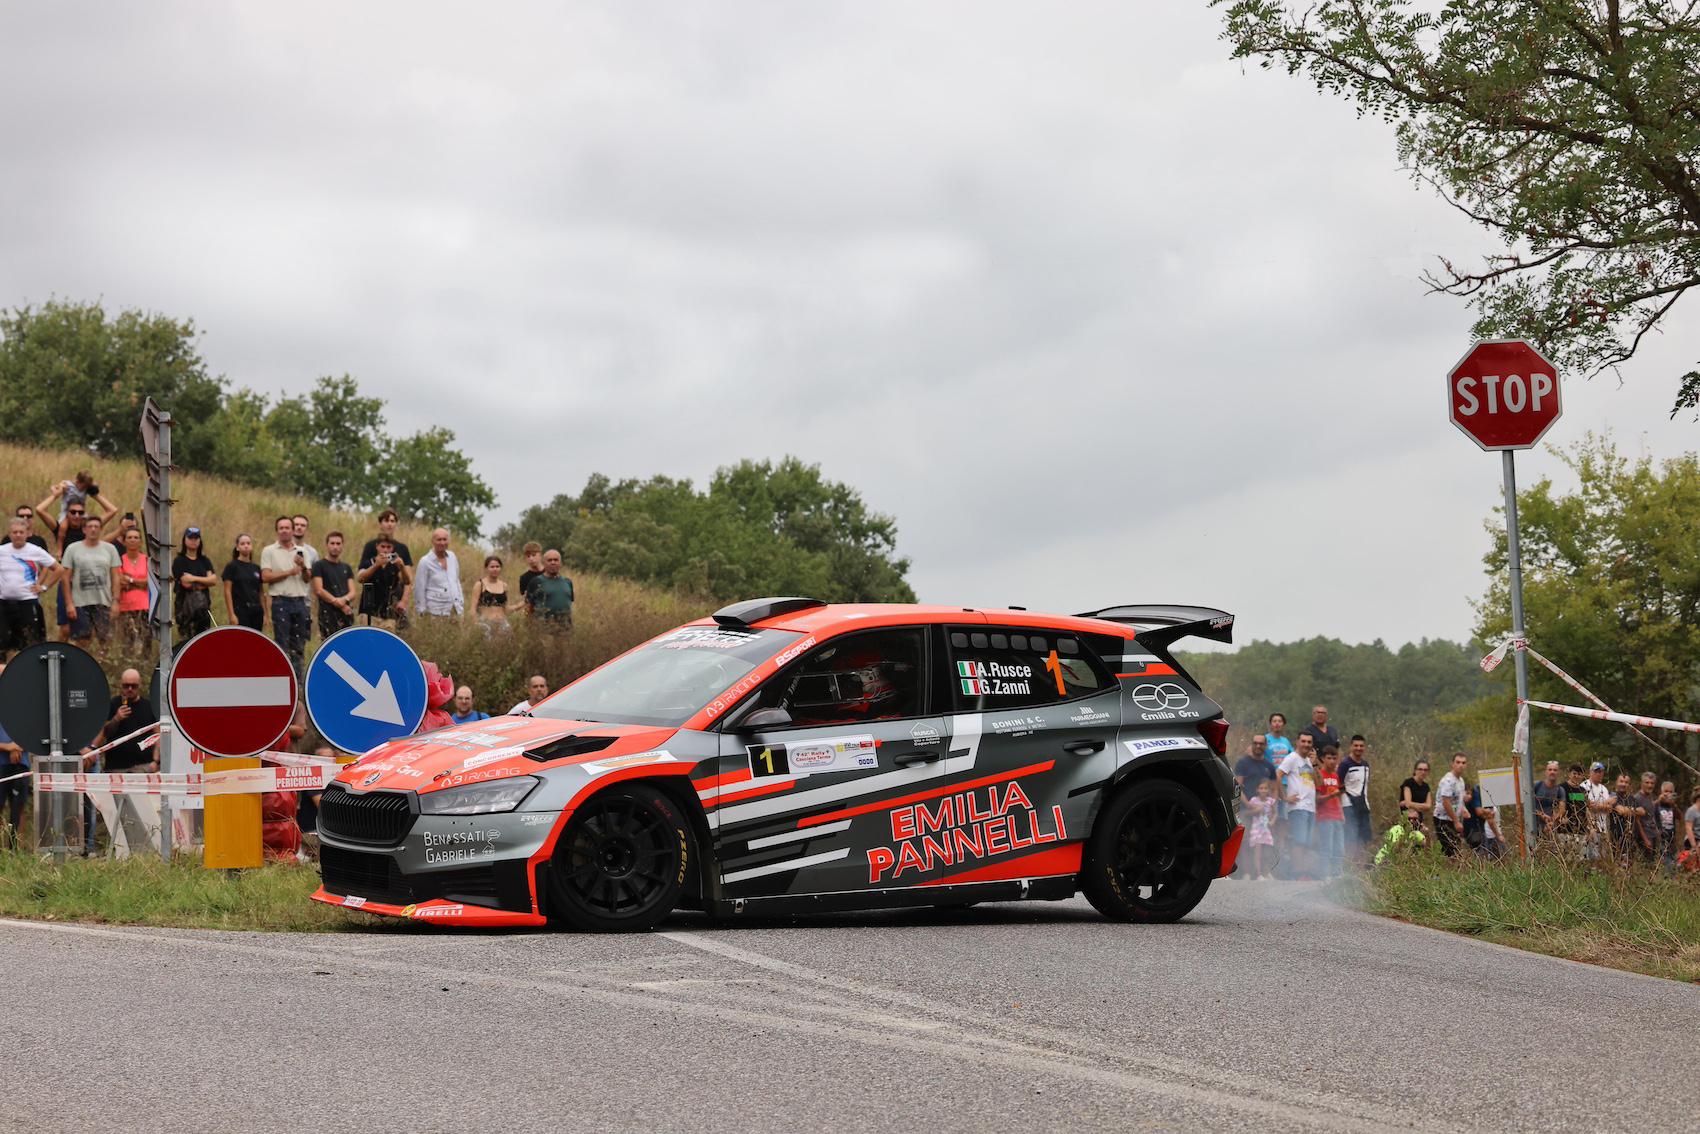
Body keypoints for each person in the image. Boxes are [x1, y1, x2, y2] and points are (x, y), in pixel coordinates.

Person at [81, 668, 159, 854]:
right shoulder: (113, 705)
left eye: (133, 686)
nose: (130, 689)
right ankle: (111, 851)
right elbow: (102, 733)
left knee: (143, 812)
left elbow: (158, 735)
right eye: (126, 686)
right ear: (121, 686)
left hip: (142, 768)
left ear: (139, 686)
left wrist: (156, 761)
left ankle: (145, 851)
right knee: (111, 812)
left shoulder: (149, 707)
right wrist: (116, 718)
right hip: (115, 769)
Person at [36, 481, 117, 641]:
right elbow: (40, 509)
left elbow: (112, 510)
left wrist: (93, 492)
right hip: (68, 581)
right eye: (73, 512)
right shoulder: (60, 528)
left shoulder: (89, 528)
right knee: (65, 629)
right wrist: (56, 495)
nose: (77, 516)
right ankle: (61, 656)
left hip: (89, 584)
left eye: (81, 513)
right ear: (67, 513)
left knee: (93, 632)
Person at [260, 516, 314, 674]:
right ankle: (283, 684)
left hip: (300, 601)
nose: (284, 530)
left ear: (292, 530)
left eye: (287, 527)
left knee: (299, 646)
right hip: (280, 602)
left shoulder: (302, 551)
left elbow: (307, 578)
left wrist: (303, 566)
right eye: (281, 528)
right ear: (277, 531)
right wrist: (289, 572)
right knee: (282, 645)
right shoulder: (269, 551)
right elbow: (265, 577)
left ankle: (298, 683)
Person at [0, 516, 59, 656]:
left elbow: (58, 569)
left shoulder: (35, 550)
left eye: (21, 532)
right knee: (3, 644)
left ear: (27, 533)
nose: (18, 535)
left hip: (27, 602)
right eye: (15, 532)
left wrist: (44, 587)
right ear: (10, 534)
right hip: (4, 604)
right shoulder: (2, 551)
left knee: (30, 644)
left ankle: (29, 674)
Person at [61, 514, 121, 649]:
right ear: (84, 530)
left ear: (100, 529)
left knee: (106, 641)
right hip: (80, 603)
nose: (93, 529)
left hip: (103, 602)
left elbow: (115, 576)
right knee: (82, 641)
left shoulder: (110, 549)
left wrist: (115, 601)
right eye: (90, 526)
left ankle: (104, 666)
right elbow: (65, 578)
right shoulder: (72, 549)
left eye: (96, 527)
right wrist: (69, 603)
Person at [358, 510, 413, 624]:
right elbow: (361, 577)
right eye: (386, 520)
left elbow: (408, 581)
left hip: (391, 604)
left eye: (392, 521)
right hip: (370, 603)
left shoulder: (402, 549)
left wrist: (404, 601)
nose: (389, 524)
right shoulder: (370, 546)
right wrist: (376, 564)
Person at [1278, 732, 1318, 879]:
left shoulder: (1308, 761)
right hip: (1298, 807)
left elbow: (1318, 783)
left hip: (1310, 807)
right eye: (1303, 741)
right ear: (1297, 742)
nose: (1306, 744)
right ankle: (1297, 872)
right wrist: (1284, 797)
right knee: (1299, 840)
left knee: (1307, 842)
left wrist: (1314, 764)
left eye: (1309, 742)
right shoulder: (1292, 758)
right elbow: (1278, 774)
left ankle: (1303, 872)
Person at [170, 527, 218, 637]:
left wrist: (193, 578)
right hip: (185, 609)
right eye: (190, 538)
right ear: (185, 540)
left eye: (196, 538)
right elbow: (185, 583)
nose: (193, 541)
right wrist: (204, 582)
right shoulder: (179, 561)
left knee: (204, 640)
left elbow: (213, 580)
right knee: (187, 641)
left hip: (203, 608)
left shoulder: (204, 560)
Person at [310, 531, 355, 639]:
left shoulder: (346, 567)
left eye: (338, 544)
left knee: (347, 647)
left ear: (342, 545)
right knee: (329, 648)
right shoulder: (319, 565)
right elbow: (319, 590)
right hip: (327, 613)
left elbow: (353, 592)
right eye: (332, 543)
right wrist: (337, 602)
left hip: (346, 613)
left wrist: (344, 600)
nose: (335, 547)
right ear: (327, 545)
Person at [414, 528, 463, 619]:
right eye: (439, 539)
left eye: (445, 539)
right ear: (432, 541)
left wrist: (461, 602)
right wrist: (422, 611)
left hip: (454, 610)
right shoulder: (425, 561)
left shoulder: (452, 557)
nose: (442, 543)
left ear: (449, 541)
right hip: (434, 611)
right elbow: (419, 588)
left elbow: (456, 581)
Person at [114, 526, 151, 646]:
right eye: (129, 537)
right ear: (124, 541)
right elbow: (119, 581)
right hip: (125, 608)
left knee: (146, 642)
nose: (133, 540)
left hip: (145, 607)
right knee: (127, 645)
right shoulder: (119, 560)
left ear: (140, 541)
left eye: (136, 537)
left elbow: (149, 582)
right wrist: (139, 582)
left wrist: (130, 579)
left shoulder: (147, 560)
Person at [1338, 734, 1372, 861]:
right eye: (1356, 745)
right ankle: (1347, 869)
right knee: (1350, 838)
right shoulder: (1345, 764)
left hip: (1363, 805)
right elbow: (1338, 785)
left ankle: (1360, 871)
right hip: (1348, 805)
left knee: (1363, 839)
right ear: (1351, 746)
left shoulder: (1366, 764)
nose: (1359, 748)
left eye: (1361, 746)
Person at [222, 534, 265, 631]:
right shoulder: (232, 566)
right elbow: (227, 591)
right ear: (237, 547)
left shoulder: (256, 568)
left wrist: (265, 614)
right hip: (240, 610)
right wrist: (231, 614)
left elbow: (261, 592)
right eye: (242, 544)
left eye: (248, 543)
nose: (246, 546)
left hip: (257, 610)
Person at [1314, 744, 1345, 877]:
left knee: (1339, 849)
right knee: (1327, 847)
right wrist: (1331, 795)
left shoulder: (1335, 776)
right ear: (1323, 759)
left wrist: (1342, 814)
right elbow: (1317, 798)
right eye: (1329, 758)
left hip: (1337, 816)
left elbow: (1339, 798)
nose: (1332, 761)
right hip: (1325, 817)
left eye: (1334, 758)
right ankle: (1325, 876)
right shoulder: (1320, 775)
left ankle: (1337, 875)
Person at [1432, 752, 1470, 857]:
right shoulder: (1448, 780)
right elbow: (1446, 802)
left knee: (1455, 848)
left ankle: (1451, 870)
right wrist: (1456, 821)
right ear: (1452, 764)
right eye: (1458, 762)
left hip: (1453, 819)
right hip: (1443, 819)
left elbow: (1458, 799)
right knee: (1450, 850)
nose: (1460, 765)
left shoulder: (1461, 780)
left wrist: (1464, 809)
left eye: (1463, 763)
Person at [1243, 779, 1277, 881]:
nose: (1263, 790)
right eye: (1261, 788)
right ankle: (1258, 875)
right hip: (1257, 829)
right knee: (1257, 853)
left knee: (1267, 852)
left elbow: (1274, 813)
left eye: (1265, 788)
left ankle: (1266, 873)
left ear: (1268, 790)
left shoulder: (1270, 801)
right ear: (1257, 790)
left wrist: (1273, 821)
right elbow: (1246, 813)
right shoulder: (1254, 800)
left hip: (1266, 829)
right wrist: (1256, 810)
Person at [530, 549, 575, 627]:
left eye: (556, 560)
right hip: (544, 629)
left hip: (565, 629)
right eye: (549, 560)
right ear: (544, 563)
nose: (553, 562)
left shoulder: (568, 582)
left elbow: (569, 604)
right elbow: (529, 606)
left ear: (560, 563)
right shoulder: (536, 581)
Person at [1532, 760, 1568, 846]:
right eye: (1550, 769)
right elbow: (1527, 805)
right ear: (1546, 772)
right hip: (1534, 827)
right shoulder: (1537, 785)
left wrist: (1552, 821)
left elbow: (1562, 810)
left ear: (1558, 772)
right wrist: (1541, 815)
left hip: (1550, 828)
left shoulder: (1560, 790)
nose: (1552, 772)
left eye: (1555, 770)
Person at [1584, 762, 1615, 861]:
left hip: (1603, 828)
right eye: (1596, 771)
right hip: (1591, 827)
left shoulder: (1604, 789)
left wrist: (1602, 806)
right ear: (1590, 772)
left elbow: (1610, 808)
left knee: (1603, 858)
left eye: (1601, 771)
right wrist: (1604, 805)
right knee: (1592, 858)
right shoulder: (1585, 786)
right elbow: (1588, 805)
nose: (1599, 774)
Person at [1628, 771, 1660, 862]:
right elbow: (1637, 821)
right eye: (1647, 783)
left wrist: (1657, 831)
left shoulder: (1650, 796)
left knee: (1653, 863)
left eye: (1652, 783)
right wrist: (1645, 839)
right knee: (1646, 864)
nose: (1650, 785)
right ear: (1642, 783)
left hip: (1653, 834)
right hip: (1644, 837)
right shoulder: (1637, 798)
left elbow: (1651, 815)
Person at [471, 555, 509, 631]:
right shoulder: (480, 584)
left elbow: (507, 609)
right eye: (492, 567)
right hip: (486, 624)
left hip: (503, 624)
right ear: (486, 568)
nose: (495, 569)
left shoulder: (504, 585)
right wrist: (476, 625)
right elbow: (473, 609)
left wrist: (522, 603)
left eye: (497, 566)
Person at [1652, 781, 1681, 869]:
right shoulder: (1657, 804)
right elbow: (1648, 812)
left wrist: (1674, 805)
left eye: (1670, 792)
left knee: (1673, 862)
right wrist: (1658, 800)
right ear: (1661, 792)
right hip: (1660, 839)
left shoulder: (1672, 805)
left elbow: (1680, 817)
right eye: (1666, 791)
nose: (1668, 794)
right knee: (1664, 864)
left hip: (1671, 839)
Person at [1398, 759, 1433, 831]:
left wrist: (1412, 804)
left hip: (1419, 820)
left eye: (1425, 770)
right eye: (1420, 769)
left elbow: (1429, 806)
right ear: (1415, 770)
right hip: (1407, 820)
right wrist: (1422, 805)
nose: (1423, 772)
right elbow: (1408, 804)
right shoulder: (1408, 783)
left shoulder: (1426, 786)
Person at [517, 541, 544, 608]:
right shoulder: (524, 578)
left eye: (534, 555)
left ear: (540, 555)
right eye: (528, 556)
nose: (531, 559)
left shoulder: (549, 572)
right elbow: (525, 600)